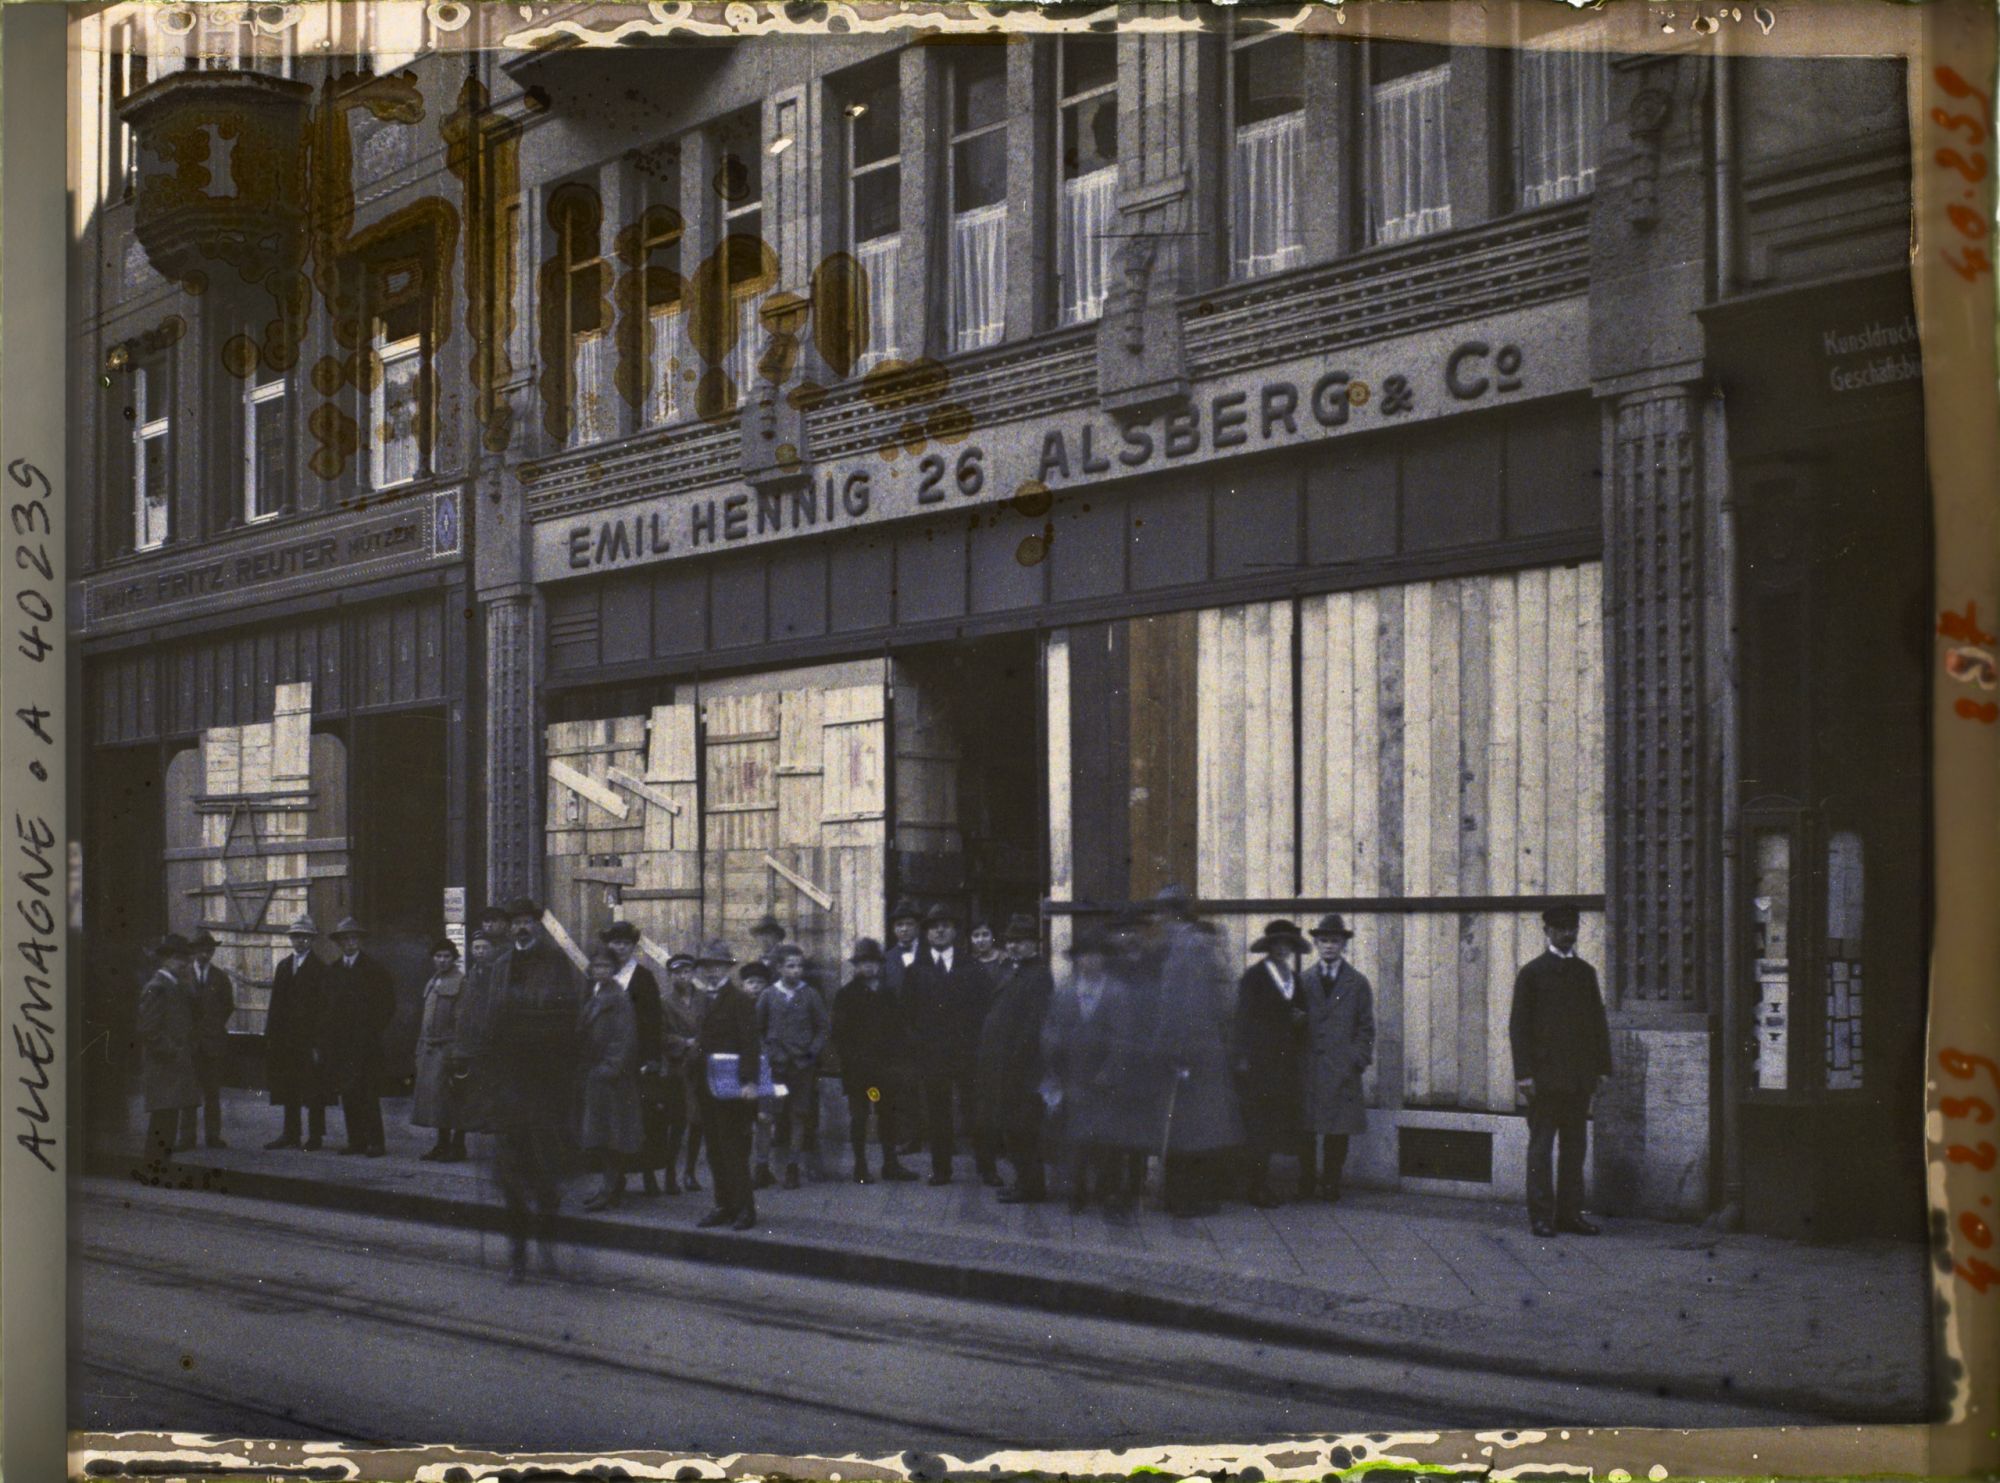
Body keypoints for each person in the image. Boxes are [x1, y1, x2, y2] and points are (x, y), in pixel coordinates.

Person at [469, 898, 585, 1279]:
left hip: (545, 1085)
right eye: (515, 921)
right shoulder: (500, 965)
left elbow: (567, 1019)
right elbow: (487, 1019)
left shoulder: (555, 963)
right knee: (512, 1180)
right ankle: (518, 1259)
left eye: (527, 922)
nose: (521, 928)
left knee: (547, 1178)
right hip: (509, 1087)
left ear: (537, 926)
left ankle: (547, 1253)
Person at [1509, 905, 1613, 1238]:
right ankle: (1541, 1216)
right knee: (1541, 1149)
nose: (1568, 934)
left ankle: (1570, 1215)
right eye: (1561, 928)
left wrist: (1602, 1068)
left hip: (1579, 1080)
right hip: (1544, 1081)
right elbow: (1518, 1027)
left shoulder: (1586, 973)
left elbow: (1598, 1022)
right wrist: (1523, 1074)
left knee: (1575, 1149)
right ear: (1548, 931)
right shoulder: (1532, 974)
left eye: (1573, 928)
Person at [1146, 892, 1243, 1218]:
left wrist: (1173, 1050)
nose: (1158, 920)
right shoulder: (1186, 945)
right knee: (1190, 1129)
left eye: (1161, 913)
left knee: (1187, 1128)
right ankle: (1184, 1197)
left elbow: (1182, 1005)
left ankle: (1183, 1197)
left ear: (1173, 914)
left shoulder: (1185, 947)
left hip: (1191, 1052)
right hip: (1196, 1050)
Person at [904, 902, 999, 1187]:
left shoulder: (972, 968)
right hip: (932, 1055)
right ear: (927, 934)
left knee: (976, 1111)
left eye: (946, 925)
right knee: (938, 1114)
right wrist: (920, 1044)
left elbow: (986, 1009)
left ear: (955, 931)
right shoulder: (916, 970)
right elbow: (907, 1014)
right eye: (934, 927)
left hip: (967, 1053)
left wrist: (978, 1043)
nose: (940, 930)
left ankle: (987, 1168)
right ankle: (941, 1169)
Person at [1040, 930, 1136, 1212]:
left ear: (1103, 960)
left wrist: (1111, 1070)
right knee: (1075, 1136)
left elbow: (1125, 1038)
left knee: (1107, 1137)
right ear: (1076, 961)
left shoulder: (1117, 992)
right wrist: (1052, 1059)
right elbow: (1051, 1028)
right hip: (1074, 1074)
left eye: (1095, 956)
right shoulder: (1065, 992)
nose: (1089, 962)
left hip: (1106, 1078)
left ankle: (1108, 1192)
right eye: (1084, 956)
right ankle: (1077, 1191)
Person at [975, 914, 1056, 1203]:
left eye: (1020, 942)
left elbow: (1034, 1025)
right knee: (1012, 1127)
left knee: (1022, 1128)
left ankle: (1031, 1186)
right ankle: (1025, 1182)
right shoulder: (1013, 970)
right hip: (1002, 1064)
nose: (1014, 947)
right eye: (1010, 942)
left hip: (1021, 1066)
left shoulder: (1038, 975)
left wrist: (1015, 1059)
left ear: (1034, 944)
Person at [1233, 918, 1310, 1208]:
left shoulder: (1294, 980)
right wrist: (1241, 1057)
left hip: (1285, 1064)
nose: (1282, 949)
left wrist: (1300, 1022)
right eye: (1277, 944)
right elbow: (1242, 1019)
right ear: (1269, 947)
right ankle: (1255, 1186)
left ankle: (1267, 1182)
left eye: (1287, 944)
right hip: (1259, 1062)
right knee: (1258, 1125)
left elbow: (1302, 1018)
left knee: (1278, 1123)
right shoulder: (1255, 977)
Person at [832, 938, 919, 1184]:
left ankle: (890, 1164)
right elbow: (839, 1036)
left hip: (884, 1072)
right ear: (856, 966)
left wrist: (896, 1062)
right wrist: (852, 1063)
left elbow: (899, 1030)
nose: (868, 968)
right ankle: (860, 1166)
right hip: (860, 1074)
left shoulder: (888, 993)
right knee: (860, 1116)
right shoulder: (846, 995)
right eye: (863, 963)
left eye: (873, 963)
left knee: (887, 1115)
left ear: (879, 965)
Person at [1299, 914, 1374, 1204]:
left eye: (1335, 941)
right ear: (1316, 944)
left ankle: (1331, 1182)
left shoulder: (1357, 983)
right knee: (1307, 1130)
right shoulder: (1304, 981)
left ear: (1343, 945)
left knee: (1337, 1132)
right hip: (1311, 1068)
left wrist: (1357, 1058)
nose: (1329, 946)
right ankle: (1306, 1181)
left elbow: (1366, 1027)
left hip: (1342, 1068)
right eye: (1324, 941)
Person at [694, 943, 765, 1231]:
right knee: (713, 1149)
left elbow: (750, 1044)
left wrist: (749, 1082)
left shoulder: (739, 1000)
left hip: (732, 1085)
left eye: (718, 965)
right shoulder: (702, 1000)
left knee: (733, 1148)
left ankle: (745, 1209)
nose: (712, 970)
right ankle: (723, 1205)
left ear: (728, 968)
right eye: (707, 965)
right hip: (706, 1085)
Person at [757, 944, 831, 1189]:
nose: (796, 971)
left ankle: (792, 1168)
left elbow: (822, 1028)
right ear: (779, 968)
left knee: (798, 1115)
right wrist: (767, 1052)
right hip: (776, 1067)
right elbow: (757, 1029)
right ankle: (762, 1167)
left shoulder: (810, 994)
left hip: (801, 1067)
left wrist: (812, 1052)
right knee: (769, 1116)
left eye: (799, 966)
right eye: (790, 966)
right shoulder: (768, 995)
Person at [321, 917, 395, 1158]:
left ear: (360, 941)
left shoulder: (374, 969)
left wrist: (372, 1030)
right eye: (345, 939)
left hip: (366, 1044)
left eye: (353, 939)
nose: (350, 943)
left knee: (368, 1094)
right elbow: (327, 1009)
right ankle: (356, 1141)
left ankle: (376, 1142)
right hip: (342, 1045)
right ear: (339, 943)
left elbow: (388, 1005)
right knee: (348, 1093)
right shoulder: (333, 971)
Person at [603, 922, 669, 1195]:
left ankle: (648, 1175)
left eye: (625, 944)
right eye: (615, 943)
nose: (619, 948)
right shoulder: (602, 976)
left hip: (637, 1059)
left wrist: (652, 1058)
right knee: (612, 1120)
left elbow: (653, 1021)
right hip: (609, 1059)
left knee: (642, 1120)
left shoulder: (643, 978)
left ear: (633, 947)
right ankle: (615, 1177)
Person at [578, 946, 644, 1211]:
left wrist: (610, 1067)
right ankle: (610, 1187)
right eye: (596, 967)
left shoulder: (618, 998)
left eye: (606, 967)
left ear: (614, 970)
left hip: (612, 1080)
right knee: (602, 1135)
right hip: (595, 1075)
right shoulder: (594, 995)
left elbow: (624, 1037)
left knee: (611, 1136)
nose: (600, 971)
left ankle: (610, 1189)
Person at [262, 916, 330, 1151]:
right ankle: (290, 1133)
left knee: (312, 1089)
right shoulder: (283, 966)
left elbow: (324, 1009)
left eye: (304, 937)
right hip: (285, 1039)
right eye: (295, 937)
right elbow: (276, 1004)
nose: (299, 941)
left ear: (311, 940)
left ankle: (315, 1136)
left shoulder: (320, 969)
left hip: (308, 1040)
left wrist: (318, 1043)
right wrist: (270, 1036)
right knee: (288, 1086)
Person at [135, 934, 200, 1176]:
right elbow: (148, 1030)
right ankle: (154, 1168)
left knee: (169, 1118)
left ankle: (160, 1167)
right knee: (163, 1120)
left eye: (185, 957)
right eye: (178, 958)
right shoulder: (157, 987)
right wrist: (171, 1050)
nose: (184, 962)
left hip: (172, 1065)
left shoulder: (175, 984)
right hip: (164, 1065)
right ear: (165, 959)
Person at [648, 949, 701, 1194]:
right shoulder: (664, 1003)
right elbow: (659, 1035)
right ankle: (670, 1173)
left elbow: (712, 1029)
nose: (683, 977)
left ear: (693, 974)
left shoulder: (704, 1001)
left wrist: (699, 1043)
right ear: (670, 976)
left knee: (698, 1123)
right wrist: (682, 1042)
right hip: (677, 1070)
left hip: (700, 1067)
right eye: (677, 973)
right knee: (677, 1123)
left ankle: (690, 1172)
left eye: (687, 972)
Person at [412, 938, 467, 1162]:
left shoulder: (462, 982)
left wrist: (458, 1051)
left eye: (446, 956)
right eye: (438, 956)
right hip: (430, 1048)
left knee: (453, 1099)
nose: (442, 960)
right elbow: (426, 1018)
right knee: (436, 1102)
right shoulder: (433, 981)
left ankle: (458, 1145)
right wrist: (420, 1046)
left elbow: (462, 1019)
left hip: (449, 1048)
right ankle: (441, 1143)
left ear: (454, 958)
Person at [183, 929, 236, 1150]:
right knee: (188, 1093)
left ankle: (213, 1137)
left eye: (209, 950)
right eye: (201, 950)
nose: (205, 955)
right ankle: (186, 1138)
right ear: (194, 952)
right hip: (189, 1044)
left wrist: (213, 1027)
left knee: (212, 1093)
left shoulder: (220, 978)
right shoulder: (183, 976)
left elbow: (228, 1006)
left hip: (214, 1044)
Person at [882, 899, 927, 1158]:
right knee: (904, 1087)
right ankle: (910, 1137)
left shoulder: (929, 955)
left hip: (929, 1030)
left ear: (918, 927)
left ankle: (943, 1138)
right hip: (899, 1034)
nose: (905, 930)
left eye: (909, 924)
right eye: (899, 925)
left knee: (932, 1084)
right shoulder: (888, 959)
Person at [969, 920, 1008, 995]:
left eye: (985, 935)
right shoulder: (970, 963)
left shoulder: (1007, 959)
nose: (980, 940)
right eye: (976, 936)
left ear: (993, 937)